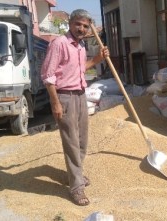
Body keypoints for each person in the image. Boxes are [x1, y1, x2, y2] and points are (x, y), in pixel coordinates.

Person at [41, 9, 109, 206]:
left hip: (80, 95)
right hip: (65, 96)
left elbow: (80, 69)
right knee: (71, 141)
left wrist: (97, 60)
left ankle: (75, 174)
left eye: (85, 26)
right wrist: (55, 102)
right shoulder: (59, 43)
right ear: (70, 23)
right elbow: (48, 76)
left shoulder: (79, 46)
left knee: (81, 140)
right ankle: (76, 187)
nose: (81, 28)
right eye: (78, 24)